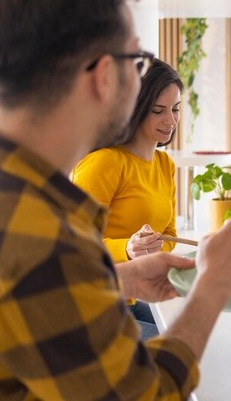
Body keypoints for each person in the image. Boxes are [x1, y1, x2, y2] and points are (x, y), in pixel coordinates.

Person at [0, 0, 231, 399]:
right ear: (102, 76)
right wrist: (212, 287)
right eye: (136, 59)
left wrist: (118, 279)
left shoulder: (19, 198)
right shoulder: (42, 236)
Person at [72, 58, 183, 338]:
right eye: (158, 110)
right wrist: (128, 249)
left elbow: (169, 235)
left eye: (175, 109)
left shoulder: (164, 165)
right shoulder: (103, 163)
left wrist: (154, 249)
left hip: (133, 295)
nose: (170, 121)